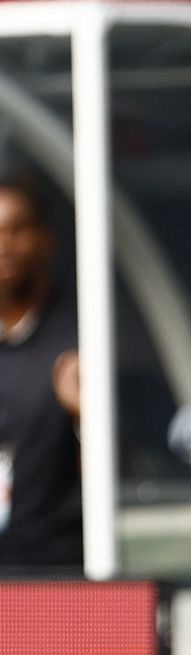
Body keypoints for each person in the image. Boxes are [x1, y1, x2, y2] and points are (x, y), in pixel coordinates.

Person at [0, 172, 82, 574]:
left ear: (45, 238)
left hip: (55, 569)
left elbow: (129, 468)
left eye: (18, 230)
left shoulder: (80, 335)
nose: (5, 246)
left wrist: (85, 415)